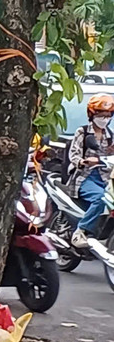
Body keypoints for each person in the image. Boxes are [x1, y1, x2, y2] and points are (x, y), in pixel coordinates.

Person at [69, 94, 114, 247]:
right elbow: (74, 155)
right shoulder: (83, 132)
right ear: (92, 114)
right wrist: (83, 162)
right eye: (101, 115)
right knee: (101, 199)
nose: (104, 119)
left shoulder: (110, 136)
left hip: (105, 178)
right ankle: (80, 231)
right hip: (84, 177)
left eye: (108, 116)